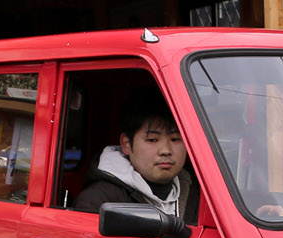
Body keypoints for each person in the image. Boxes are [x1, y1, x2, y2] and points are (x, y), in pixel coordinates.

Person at [74, 91, 199, 223]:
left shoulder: (197, 191)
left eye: (175, 139)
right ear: (127, 144)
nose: (166, 150)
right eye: (152, 140)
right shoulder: (99, 199)